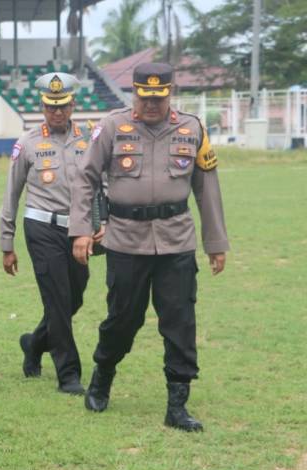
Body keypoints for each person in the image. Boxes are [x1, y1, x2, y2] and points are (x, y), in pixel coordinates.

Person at [69, 62, 229, 431]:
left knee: (180, 321)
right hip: (126, 240)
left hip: (177, 240)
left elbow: (207, 188)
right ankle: (103, 374)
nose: (152, 104)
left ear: (170, 93)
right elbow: (85, 179)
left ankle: (177, 405)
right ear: (134, 93)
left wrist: (215, 242)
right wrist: (81, 229)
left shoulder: (191, 128)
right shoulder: (112, 126)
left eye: (159, 97)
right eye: (145, 96)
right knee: (123, 319)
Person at [0, 73, 98, 395]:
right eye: (50, 106)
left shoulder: (88, 140)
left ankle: (34, 342)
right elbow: (11, 194)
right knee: (57, 299)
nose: (57, 112)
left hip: (79, 230)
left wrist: (103, 223)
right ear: (42, 106)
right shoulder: (27, 143)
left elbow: (102, 184)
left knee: (75, 296)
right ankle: (68, 374)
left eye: (63, 106)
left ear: (73, 105)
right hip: (41, 228)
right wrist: (6, 242)